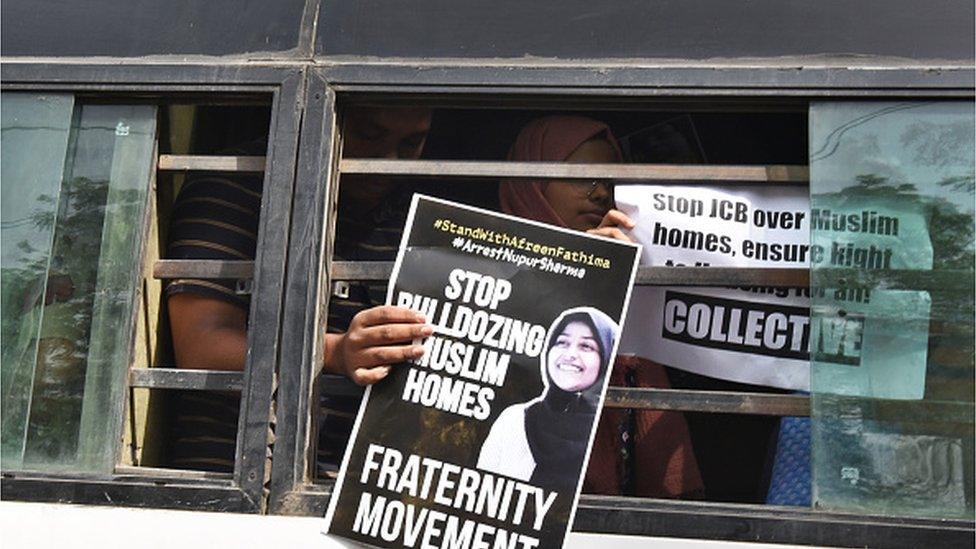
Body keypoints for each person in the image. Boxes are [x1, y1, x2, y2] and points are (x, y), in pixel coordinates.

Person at [164, 106, 435, 471]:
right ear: (329, 119)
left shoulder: (412, 212)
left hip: (352, 489)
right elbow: (200, 347)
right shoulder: (238, 183)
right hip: (237, 482)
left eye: (411, 143)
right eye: (371, 136)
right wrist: (334, 352)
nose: (389, 159)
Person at [497, 115, 703, 498]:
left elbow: (663, 455)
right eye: (583, 177)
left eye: (609, 182)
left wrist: (609, 280)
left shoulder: (625, 280)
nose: (600, 194)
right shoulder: (481, 279)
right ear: (531, 184)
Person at [477, 307, 618, 493]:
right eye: (562, 342)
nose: (569, 354)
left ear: (607, 357)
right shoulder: (514, 420)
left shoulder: (613, 423)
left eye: (586, 346)